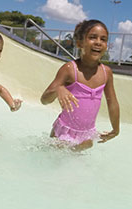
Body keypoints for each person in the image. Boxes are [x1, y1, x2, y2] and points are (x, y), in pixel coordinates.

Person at [41, 19, 120, 151]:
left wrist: (116, 129)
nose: (98, 42)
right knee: (53, 159)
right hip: (63, 132)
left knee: (77, 159)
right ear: (79, 43)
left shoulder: (106, 73)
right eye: (92, 37)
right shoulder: (70, 69)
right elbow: (44, 100)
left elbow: (112, 103)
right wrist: (59, 89)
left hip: (87, 135)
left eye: (103, 39)